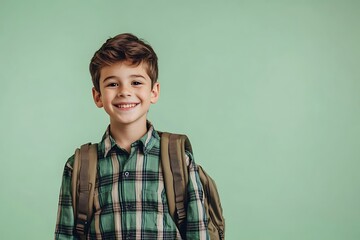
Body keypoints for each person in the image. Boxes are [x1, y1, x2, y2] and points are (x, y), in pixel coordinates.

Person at [55, 33, 209, 239]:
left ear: (154, 92)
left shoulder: (179, 160)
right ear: (97, 96)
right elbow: (65, 235)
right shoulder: (79, 166)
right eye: (112, 84)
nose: (124, 91)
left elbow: (198, 233)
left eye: (136, 82)